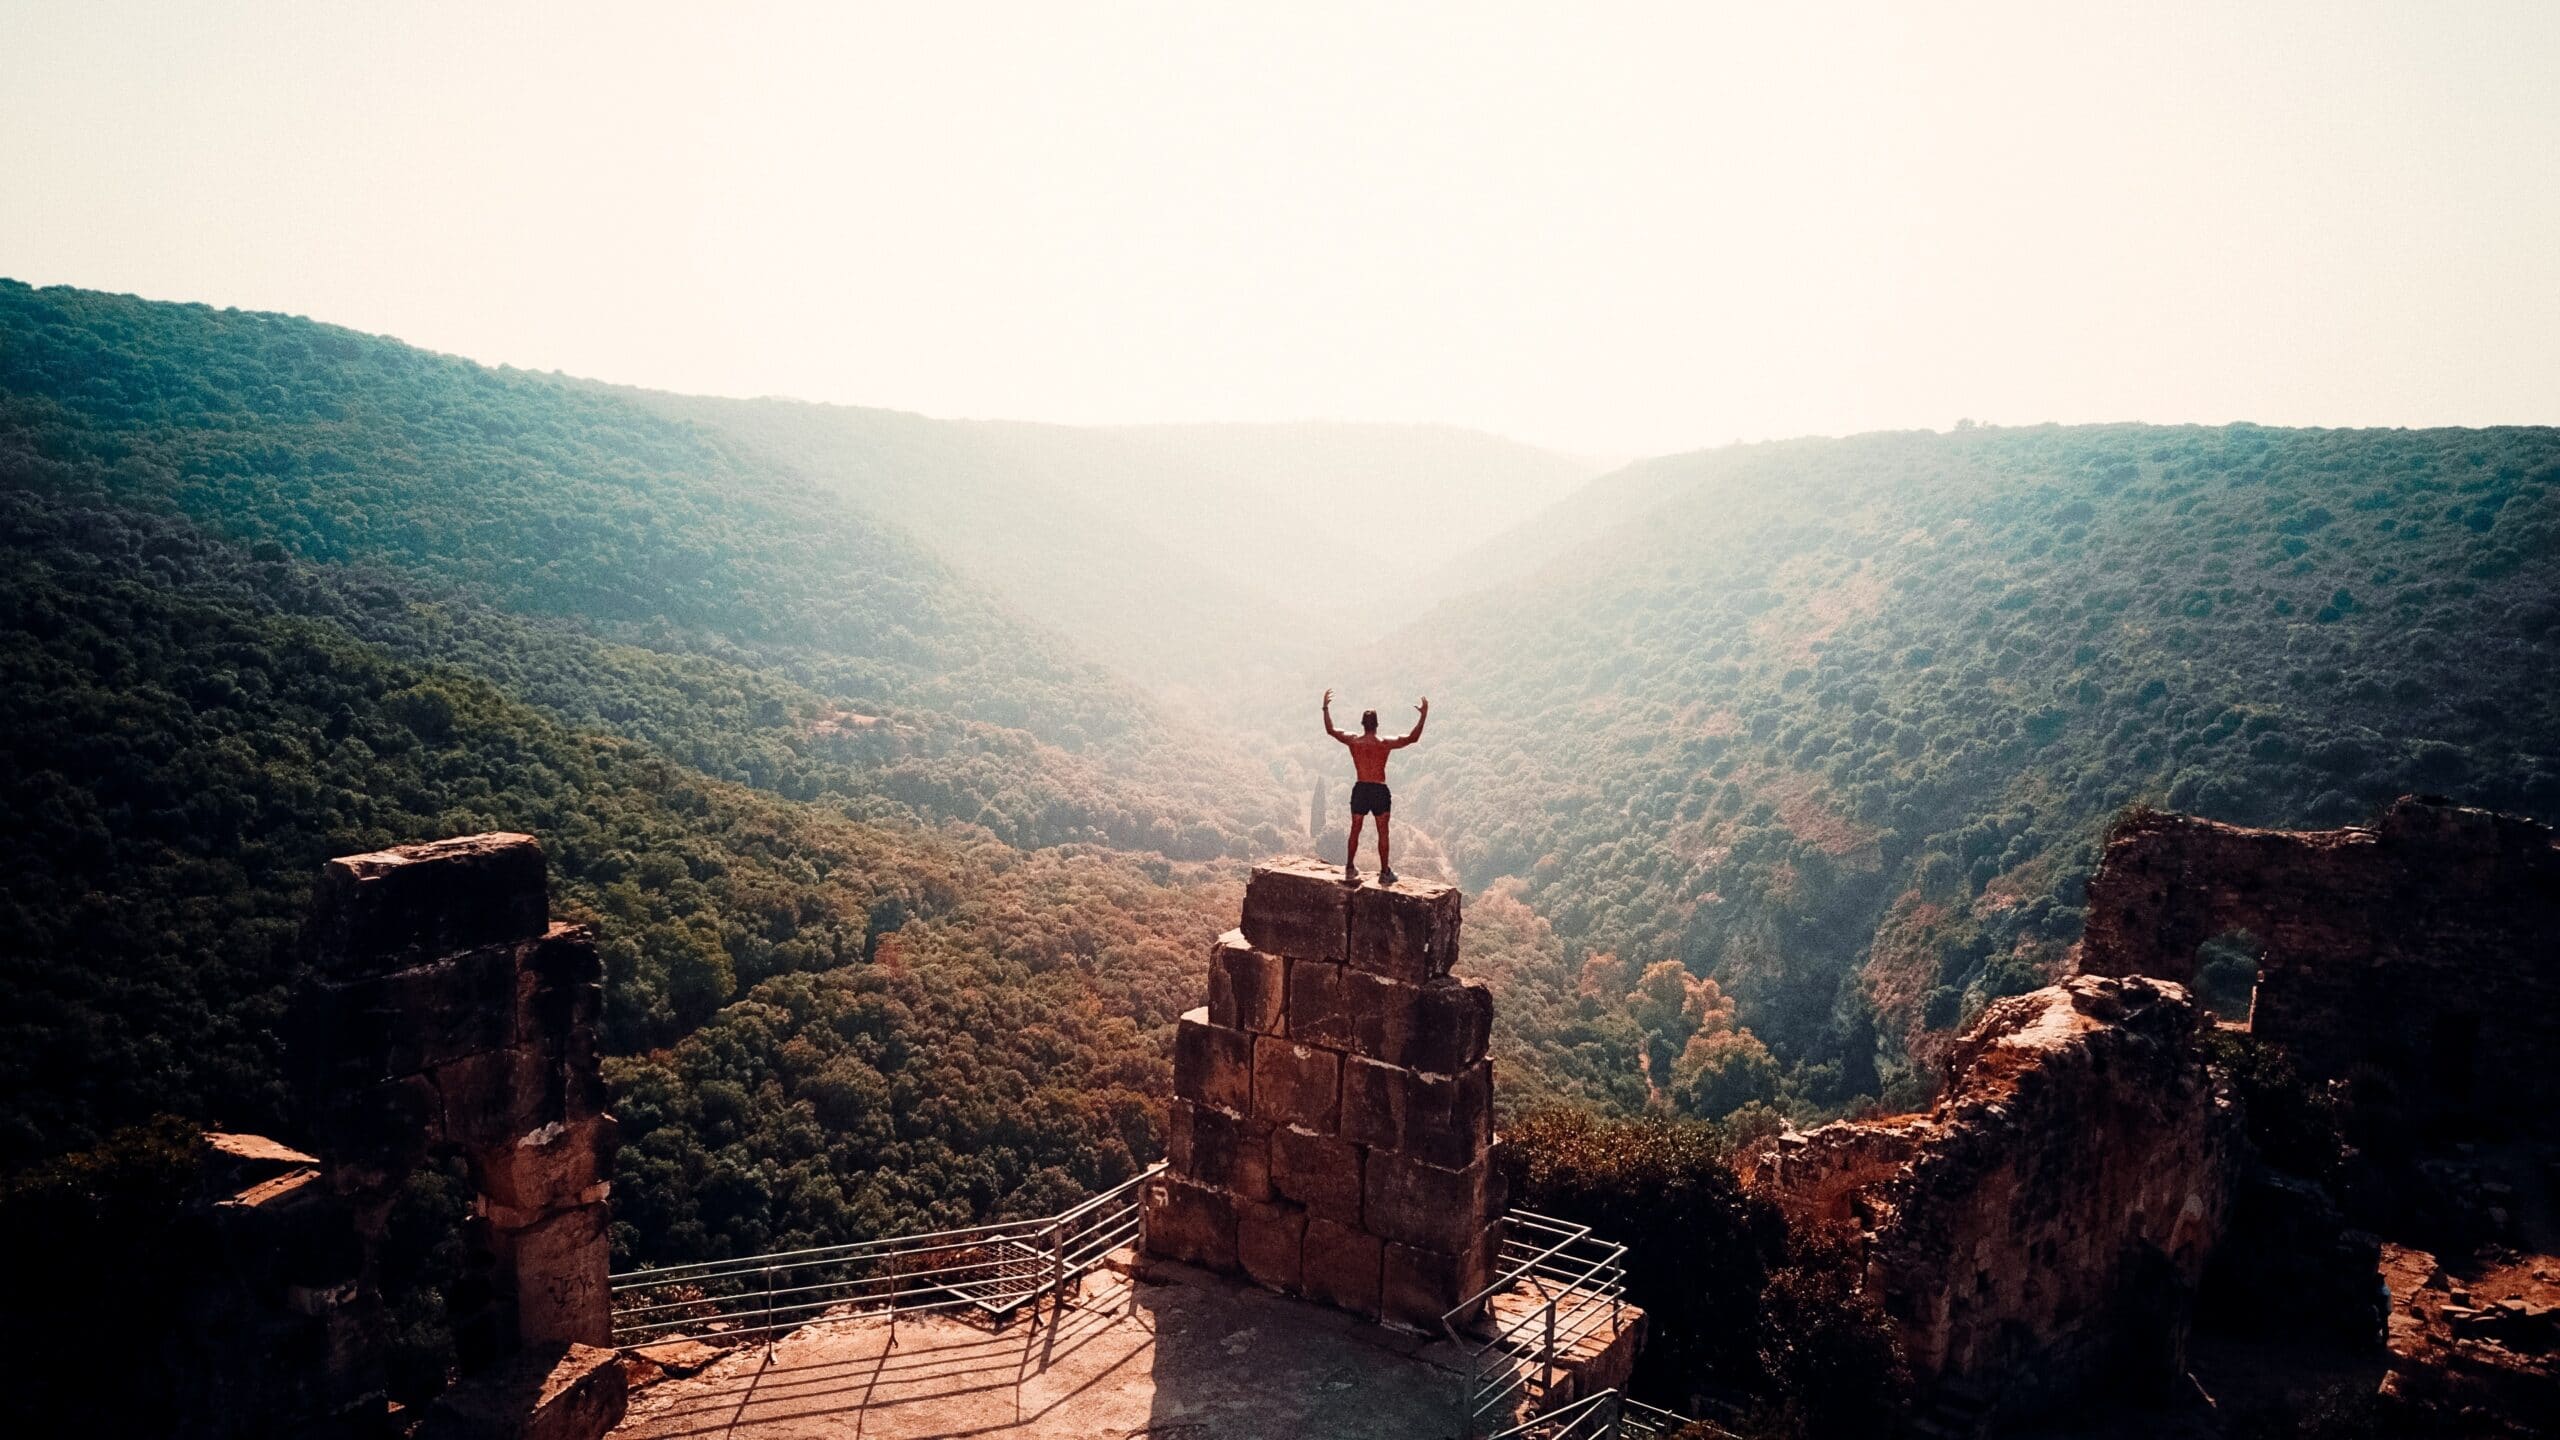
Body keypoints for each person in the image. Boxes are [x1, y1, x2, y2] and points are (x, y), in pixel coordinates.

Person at [1323, 689, 1426, 885]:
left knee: (1355, 828)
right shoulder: (1384, 744)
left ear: (1362, 724)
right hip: (1379, 789)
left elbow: (1331, 730)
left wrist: (1325, 707)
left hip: (1361, 788)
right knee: (1383, 831)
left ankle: (1350, 867)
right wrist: (1423, 715)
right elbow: (1412, 738)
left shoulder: (1354, 741)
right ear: (1377, 725)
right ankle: (1384, 872)